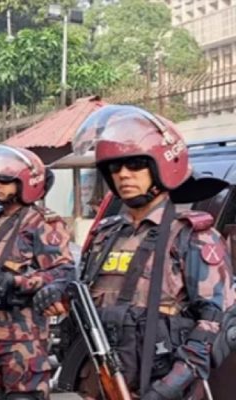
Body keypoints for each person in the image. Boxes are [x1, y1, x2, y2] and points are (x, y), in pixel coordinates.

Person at [34, 105, 235, 399]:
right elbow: (88, 296)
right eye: (115, 168)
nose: (124, 175)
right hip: (101, 384)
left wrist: (167, 389)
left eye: (136, 164)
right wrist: (60, 294)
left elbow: (215, 326)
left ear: (161, 166)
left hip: (159, 388)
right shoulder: (107, 234)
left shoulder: (193, 238)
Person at [0, 145, 75, 400]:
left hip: (21, 339)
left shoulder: (41, 222)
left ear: (26, 182)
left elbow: (63, 272)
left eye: (4, 180)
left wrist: (16, 281)